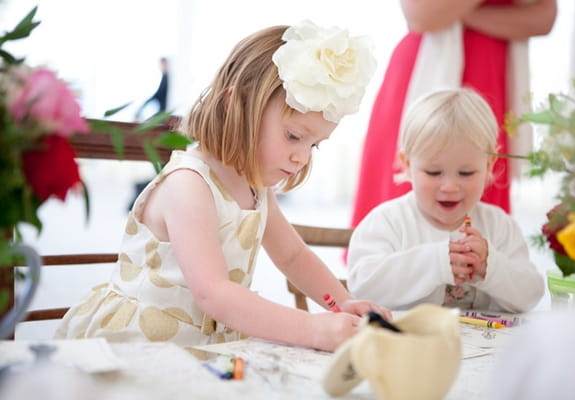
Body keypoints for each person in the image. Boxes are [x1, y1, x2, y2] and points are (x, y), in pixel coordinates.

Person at [55, 21, 390, 352]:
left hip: (205, 349)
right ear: (236, 106)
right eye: (294, 136)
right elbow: (213, 292)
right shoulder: (189, 184)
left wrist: (342, 302)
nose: (302, 157)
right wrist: (312, 329)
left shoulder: (255, 188)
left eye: (313, 145)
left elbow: (293, 256)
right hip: (139, 345)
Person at [350, 0, 557, 229]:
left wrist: (455, 13)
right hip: (423, 70)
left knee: (475, 177)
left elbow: (543, 19)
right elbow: (421, 15)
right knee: (413, 178)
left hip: (492, 76)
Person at [346, 88, 545, 312]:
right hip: (409, 342)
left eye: (466, 173)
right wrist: (435, 263)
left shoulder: (499, 226)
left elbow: (531, 295)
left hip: (487, 345)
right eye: (433, 172)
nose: (450, 187)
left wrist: (491, 266)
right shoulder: (389, 221)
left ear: (489, 165)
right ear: (408, 165)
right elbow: (362, 286)